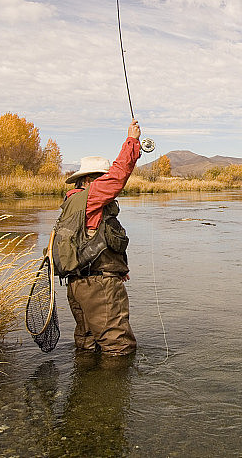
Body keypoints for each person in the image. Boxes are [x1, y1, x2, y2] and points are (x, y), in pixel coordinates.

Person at [59, 119, 142, 355]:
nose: (104, 182)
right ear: (89, 180)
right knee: (119, 348)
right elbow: (118, 177)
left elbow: (90, 241)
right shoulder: (90, 196)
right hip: (98, 287)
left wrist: (118, 268)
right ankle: (111, 392)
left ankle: (86, 391)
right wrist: (132, 141)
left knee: (87, 346)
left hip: (77, 284)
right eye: (100, 178)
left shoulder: (72, 201)